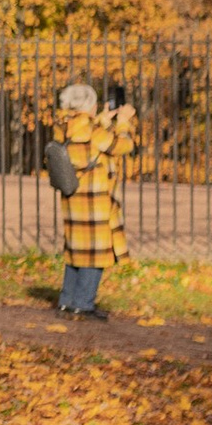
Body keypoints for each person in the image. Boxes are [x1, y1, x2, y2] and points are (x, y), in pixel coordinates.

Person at [53, 78, 138, 320]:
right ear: (87, 105)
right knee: (95, 253)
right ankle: (83, 303)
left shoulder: (63, 126)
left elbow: (87, 137)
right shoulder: (93, 132)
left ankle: (66, 300)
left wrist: (103, 119)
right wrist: (123, 124)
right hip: (95, 201)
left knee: (75, 251)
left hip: (73, 197)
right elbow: (122, 146)